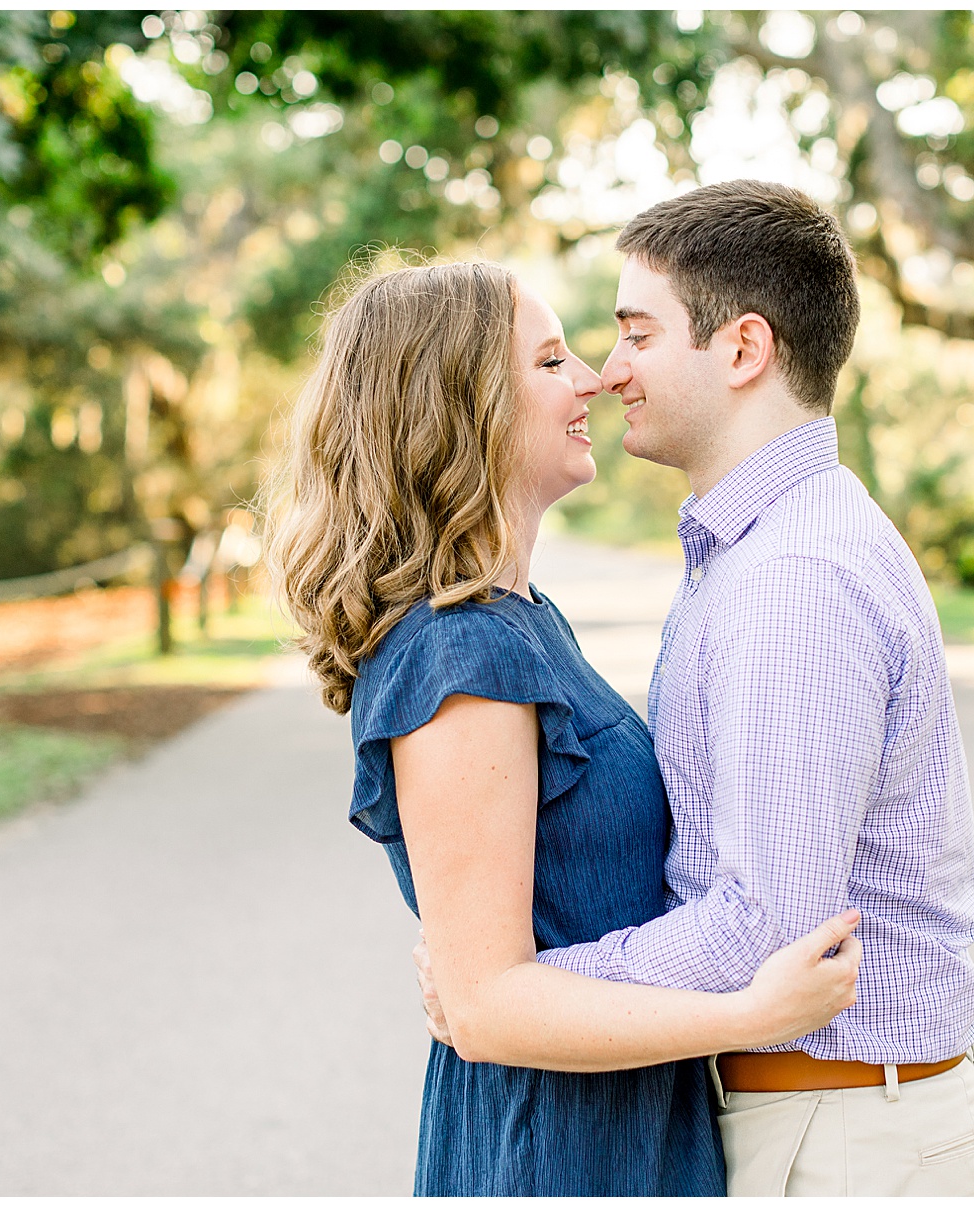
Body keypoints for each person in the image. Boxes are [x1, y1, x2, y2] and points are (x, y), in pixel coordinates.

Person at [422, 181, 974, 1195]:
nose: (609, 372)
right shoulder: (758, 553)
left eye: (637, 334)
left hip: (838, 1132)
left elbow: (766, 928)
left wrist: (521, 991)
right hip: (817, 1119)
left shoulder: (794, 581)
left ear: (742, 349)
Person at [265, 259, 864, 1197]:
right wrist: (747, 1013)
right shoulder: (460, 656)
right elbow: (490, 1006)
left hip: (630, 1127)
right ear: (461, 408)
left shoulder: (520, 619)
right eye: (550, 361)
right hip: (556, 1148)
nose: (591, 378)